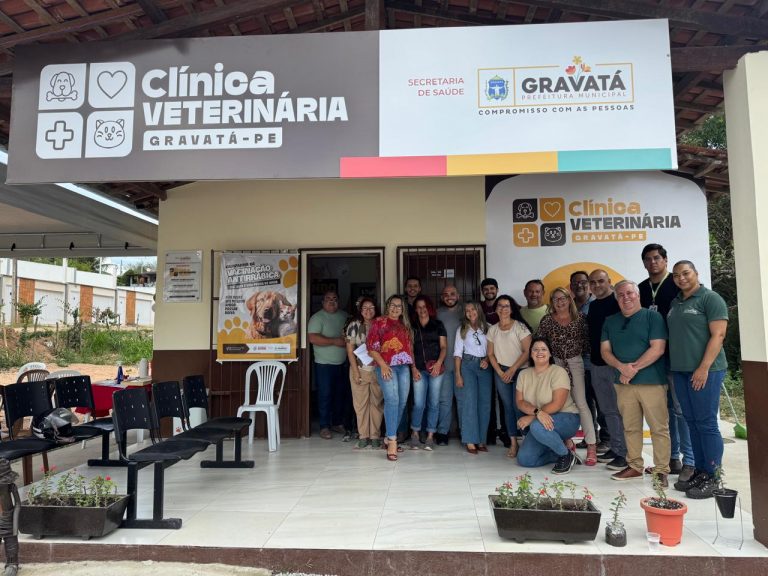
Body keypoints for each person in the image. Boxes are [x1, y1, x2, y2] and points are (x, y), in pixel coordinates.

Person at [667, 260, 729, 499]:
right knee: (692, 422)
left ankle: (714, 476)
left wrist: (703, 368)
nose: (681, 278)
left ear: (696, 273)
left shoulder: (710, 299)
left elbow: (718, 335)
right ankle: (701, 472)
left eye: (686, 273)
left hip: (706, 371)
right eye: (676, 275)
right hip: (681, 371)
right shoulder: (676, 302)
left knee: (706, 423)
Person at [601, 280, 671, 485]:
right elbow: (605, 351)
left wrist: (632, 369)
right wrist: (621, 367)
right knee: (630, 427)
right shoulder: (610, 321)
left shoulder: (653, 317)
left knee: (658, 428)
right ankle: (634, 466)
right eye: (621, 295)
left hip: (652, 382)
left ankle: (661, 470)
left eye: (630, 293)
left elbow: (658, 348)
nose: (626, 297)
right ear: (616, 298)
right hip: (623, 383)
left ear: (638, 295)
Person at [639, 243, 695, 482]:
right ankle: (672, 458)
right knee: (665, 411)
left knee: (681, 410)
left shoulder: (676, 284)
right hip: (653, 359)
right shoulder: (641, 288)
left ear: (665, 260)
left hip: (676, 356)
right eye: (648, 259)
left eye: (656, 258)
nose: (652, 262)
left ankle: (690, 461)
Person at [536, 287, 598, 465]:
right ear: (551, 302)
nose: (559, 302)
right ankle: (567, 441)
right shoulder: (547, 320)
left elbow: (587, 343)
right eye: (555, 299)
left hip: (575, 362)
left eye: (562, 298)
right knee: (560, 404)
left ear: (569, 299)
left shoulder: (580, 318)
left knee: (581, 403)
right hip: (556, 364)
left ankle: (591, 445)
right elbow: (540, 342)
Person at [515, 336, 582, 474]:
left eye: (543, 349)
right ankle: (561, 452)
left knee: (536, 426)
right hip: (541, 420)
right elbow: (520, 402)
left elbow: (557, 404)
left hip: (567, 418)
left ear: (550, 353)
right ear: (531, 353)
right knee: (525, 460)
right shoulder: (523, 374)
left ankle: (565, 456)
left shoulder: (558, 372)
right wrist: (537, 413)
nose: (539, 352)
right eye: (535, 349)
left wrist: (533, 417)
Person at [587, 269, 628, 472]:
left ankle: (625, 454)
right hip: (596, 364)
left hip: (615, 365)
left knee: (620, 411)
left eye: (601, 281)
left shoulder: (618, 303)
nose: (597, 285)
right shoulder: (593, 306)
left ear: (609, 281)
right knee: (608, 410)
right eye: (593, 282)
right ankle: (616, 447)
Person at [367, 294, 415, 462]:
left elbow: (410, 349)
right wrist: (382, 365)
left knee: (402, 402)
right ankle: (393, 441)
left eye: (399, 306)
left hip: (404, 367)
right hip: (386, 366)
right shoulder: (379, 322)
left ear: (403, 309)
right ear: (388, 306)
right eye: (393, 305)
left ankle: (388, 436)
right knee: (392, 400)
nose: (395, 308)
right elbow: (371, 348)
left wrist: (413, 368)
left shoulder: (405, 325)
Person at [487, 295, 531, 459]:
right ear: (496, 308)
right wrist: (500, 372)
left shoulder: (520, 327)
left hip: (520, 371)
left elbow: (527, 351)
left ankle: (528, 440)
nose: (503, 309)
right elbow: (490, 354)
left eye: (506, 306)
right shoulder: (492, 329)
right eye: (500, 305)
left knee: (519, 406)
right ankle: (513, 442)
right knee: (507, 407)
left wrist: (513, 369)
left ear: (512, 309)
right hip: (501, 372)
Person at [570, 270, 609, 451]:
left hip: (597, 360)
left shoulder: (596, 304)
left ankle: (607, 438)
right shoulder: (569, 305)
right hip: (576, 362)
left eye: (583, 282)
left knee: (602, 401)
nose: (579, 285)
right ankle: (591, 437)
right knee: (584, 402)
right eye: (575, 282)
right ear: (571, 286)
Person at [308, 290, 349, 440]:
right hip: (323, 365)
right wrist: (334, 341)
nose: (332, 301)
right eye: (328, 299)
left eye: (335, 299)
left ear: (338, 301)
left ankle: (337, 423)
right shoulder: (317, 318)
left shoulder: (345, 316)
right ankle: (324, 426)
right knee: (325, 395)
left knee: (340, 395)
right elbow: (313, 338)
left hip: (342, 364)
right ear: (323, 302)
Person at [454, 301, 492, 455]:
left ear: (478, 310)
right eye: (467, 310)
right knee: (469, 402)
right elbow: (457, 353)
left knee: (484, 403)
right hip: (467, 365)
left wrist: (487, 360)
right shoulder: (462, 329)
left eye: (473, 309)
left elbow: (493, 350)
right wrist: (458, 374)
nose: (470, 312)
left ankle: (481, 439)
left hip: (484, 366)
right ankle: (470, 439)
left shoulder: (488, 327)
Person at [345, 297, 383, 450]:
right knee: (360, 405)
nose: (368, 311)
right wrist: (355, 371)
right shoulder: (354, 325)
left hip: (377, 370)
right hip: (360, 369)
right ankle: (363, 436)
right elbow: (350, 350)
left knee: (377, 404)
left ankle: (375, 436)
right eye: (365, 308)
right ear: (360, 310)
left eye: (371, 307)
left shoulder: (381, 323)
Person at [410, 295, 447, 450]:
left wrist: (439, 363)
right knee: (419, 403)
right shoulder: (412, 326)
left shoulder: (438, 324)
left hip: (436, 369)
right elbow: (410, 350)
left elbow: (444, 347)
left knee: (434, 403)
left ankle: (431, 435)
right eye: (419, 307)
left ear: (429, 308)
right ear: (415, 309)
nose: (422, 310)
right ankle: (415, 433)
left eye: (424, 306)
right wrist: (413, 368)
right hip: (418, 369)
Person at [436, 284, 463, 445]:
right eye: (446, 294)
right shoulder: (437, 314)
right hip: (444, 365)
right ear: (442, 297)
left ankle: (465, 433)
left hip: (463, 366)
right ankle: (442, 432)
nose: (449, 297)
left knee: (462, 400)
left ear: (458, 296)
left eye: (452, 293)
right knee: (444, 400)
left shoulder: (466, 312)